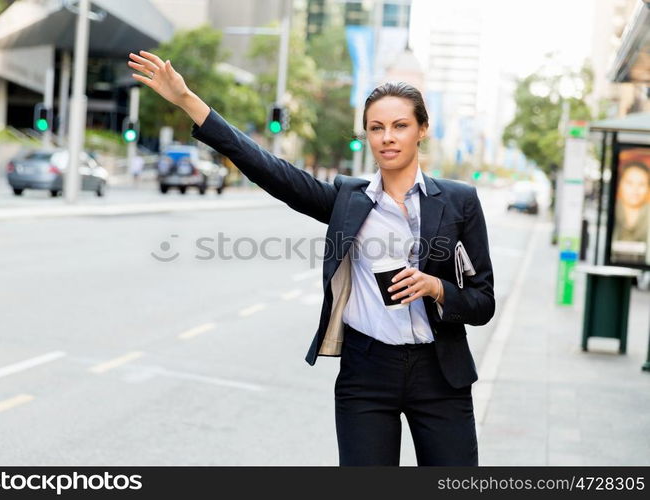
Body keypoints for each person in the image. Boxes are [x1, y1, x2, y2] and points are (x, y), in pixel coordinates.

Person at [128, 50, 495, 466]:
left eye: (400, 126)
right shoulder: (348, 201)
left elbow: (483, 303)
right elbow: (269, 169)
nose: (387, 137)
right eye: (376, 128)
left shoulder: (460, 202)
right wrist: (187, 100)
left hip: (440, 374)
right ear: (367, 136)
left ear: (422, 130)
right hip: (367, 372)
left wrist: (436, 288)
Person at [610, 161, 650, 265]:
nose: (635, 190)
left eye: (641, 184)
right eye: (629, 183)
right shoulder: (611, 210)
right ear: (619, 185)